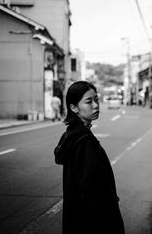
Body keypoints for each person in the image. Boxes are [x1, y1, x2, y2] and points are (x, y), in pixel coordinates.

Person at [54, 81, 125, 234]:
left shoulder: (73, 135)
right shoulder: (83, 141)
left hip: (79, 220)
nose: (95, 105)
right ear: (74, 108)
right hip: (92, 224)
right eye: (88, 101)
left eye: (96, 99)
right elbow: (91, 192)